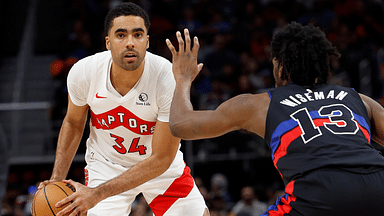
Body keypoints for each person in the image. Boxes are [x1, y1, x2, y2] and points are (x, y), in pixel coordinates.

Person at [166, 23, 384, 215]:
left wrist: (183, 79)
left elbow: (180, 125)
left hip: (318, 192)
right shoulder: (357, 98)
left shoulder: (261, 103)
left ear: (280, 67)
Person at [38, 3, 209, 216]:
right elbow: (73, 123)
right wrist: (56, 180)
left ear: (147, 41)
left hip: (159, 169)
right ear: (108, 42)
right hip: (107, 166)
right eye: (121, 35)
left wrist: (96, 194)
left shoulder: (167, 77)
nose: (130, 43)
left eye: (138, 35)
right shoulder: (84, 72)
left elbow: (162, 158)